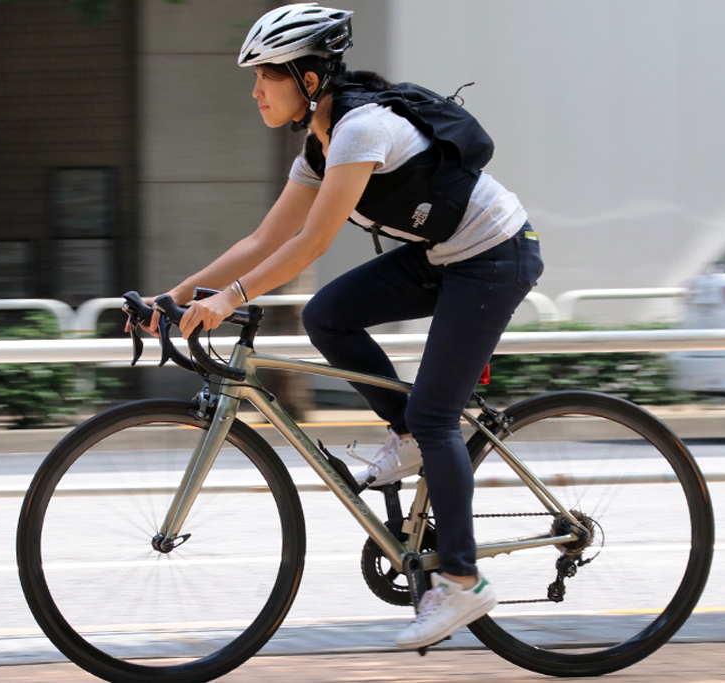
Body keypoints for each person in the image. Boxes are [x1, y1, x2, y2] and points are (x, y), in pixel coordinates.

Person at [147, 3, 543, 650]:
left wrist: (230, 300)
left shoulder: (362, 131)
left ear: (307, 79)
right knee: (325, 315)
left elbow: (310, 244)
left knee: (440, 416)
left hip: (495, 256)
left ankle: (463, 580)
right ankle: (407, 432)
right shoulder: (318, 145)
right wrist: (177, 294)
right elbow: (264, 236)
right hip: (445, 256)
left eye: (265, 76)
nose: (254, 91)